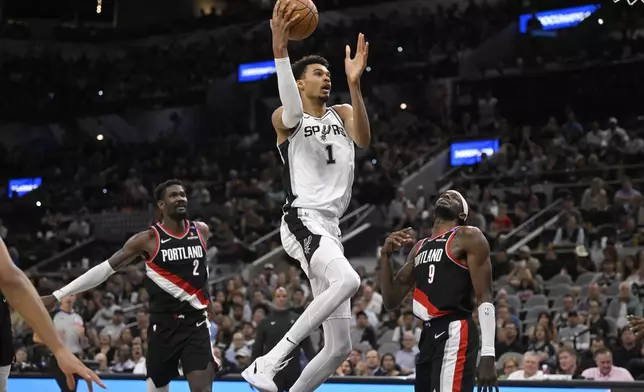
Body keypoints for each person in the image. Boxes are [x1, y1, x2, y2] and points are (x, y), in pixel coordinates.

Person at [242, 0, 371, 391]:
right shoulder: (285, 119)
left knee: (338, 348)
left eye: (328, 73)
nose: (325, 78)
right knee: (348, 280)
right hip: (302, 218)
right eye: (318, 73)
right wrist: (280, 52)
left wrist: (354, 82)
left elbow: (364, 140)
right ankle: (270, 360)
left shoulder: (344, 113)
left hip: (331, 227)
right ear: (299, 83)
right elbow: (293, 115)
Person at [41, 179, 218, 392]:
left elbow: (200, 267)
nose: (180, 198)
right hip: (162, 327)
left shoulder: (201, 231)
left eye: (182, 194)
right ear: (161, 205)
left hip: (196, 325)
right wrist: (58, 295)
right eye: (173, 195)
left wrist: (207, 297)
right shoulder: (147, 240)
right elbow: (104, 270)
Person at [378, 190, 498, 392]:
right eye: (445, 195)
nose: (447, 195)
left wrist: (488, 354)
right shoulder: (419, 247)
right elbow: (391, 300)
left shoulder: (468, 235)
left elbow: (485, 297)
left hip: (455, 328)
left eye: (455, 198)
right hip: (427, 335)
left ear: (463, 215)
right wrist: (385, 256)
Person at [0, 239, 104, 392]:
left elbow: (11, 281)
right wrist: (57, 347)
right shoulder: (55, 315)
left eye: (73, 296)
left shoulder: (78, 317)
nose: (70, 298)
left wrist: (66, 347)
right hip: (56, 357)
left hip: (72, 355)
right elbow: (11, 281)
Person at [251, 287, 316, 391]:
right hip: (272, 373)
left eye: (284, 296)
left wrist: (317, 368)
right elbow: (257, 349)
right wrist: (253, 373)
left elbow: (308, 347)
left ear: (288, 298)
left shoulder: (297, 320)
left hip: (294, 372)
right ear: (273, 298)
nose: (281, 299)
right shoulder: (266, 322)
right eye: (278, 296)